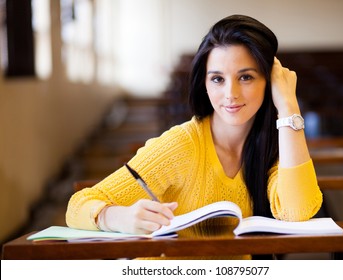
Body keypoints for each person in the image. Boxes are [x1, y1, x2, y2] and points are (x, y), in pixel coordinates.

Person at [66, 14, 323, 259]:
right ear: (204, 83)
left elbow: (297, 211)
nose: (230, 93)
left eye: (246, 77)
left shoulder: (276, 146)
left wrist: (288, 105)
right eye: (217, 79)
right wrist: (116, 217)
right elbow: (78, 206)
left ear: (269, 82)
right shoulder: (181, 145)